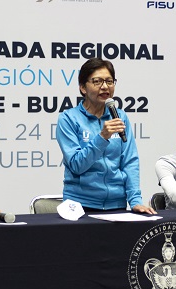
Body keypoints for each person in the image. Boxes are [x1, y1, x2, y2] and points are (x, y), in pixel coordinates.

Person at [56, 58, 155, 214]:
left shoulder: (120, 117)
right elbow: (76, 165)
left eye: (109, 81)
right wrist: (102, 137)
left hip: (116, 204)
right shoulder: (68, 119)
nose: (105, 87)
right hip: (80, 206)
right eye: (97, 82)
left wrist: (135, 200)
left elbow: (129, 161)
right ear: (83, 87)